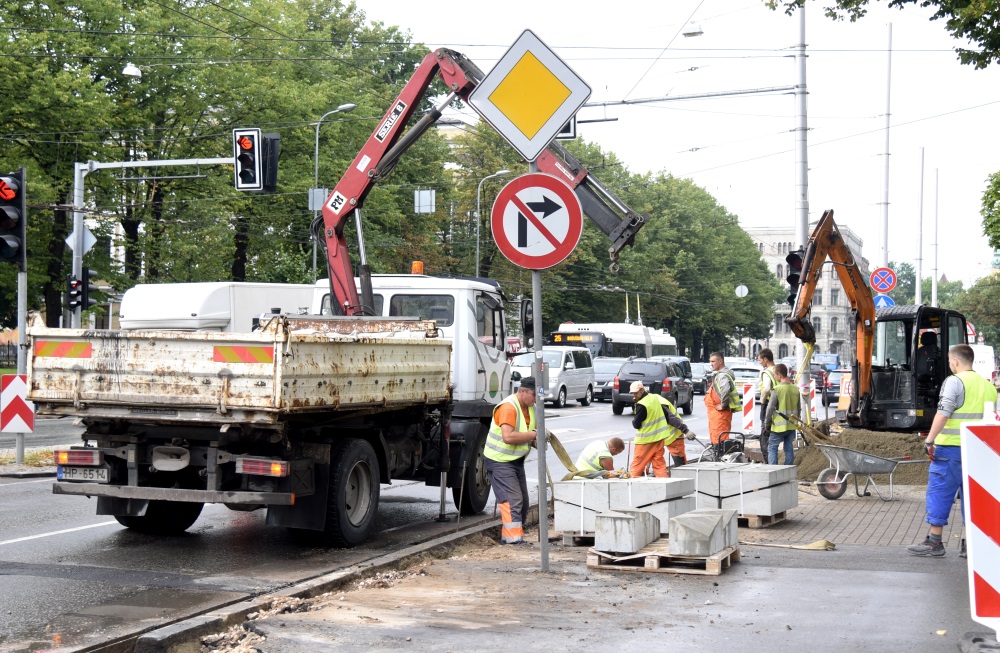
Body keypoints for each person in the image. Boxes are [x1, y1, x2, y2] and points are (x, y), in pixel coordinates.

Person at [908, 344, 998, 557]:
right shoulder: (989, 387)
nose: (949, 365)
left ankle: (935, 542)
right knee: (975, 496)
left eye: (949, 361)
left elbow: (943, 413)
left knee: (940, 492)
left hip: (951, 450)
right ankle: (971, 544)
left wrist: (929, 441)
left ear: (955, 361)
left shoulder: (954, 382)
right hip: (979, 451)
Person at [484, 376, 539, 545]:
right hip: (499, 461)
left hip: (515, 461)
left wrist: (537, 439)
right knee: (512, 500)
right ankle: (513, 541)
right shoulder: (508, 407)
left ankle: (513, 536)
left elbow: (530, 430)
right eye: (534, 395)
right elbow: (508, 437)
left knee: (523, 501)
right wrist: (533, 435)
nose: (536, 399)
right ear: (523, 391)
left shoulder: (531, 407)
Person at [630, 381, 697, 477]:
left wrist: (685, 430)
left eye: (635, 393)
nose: (634, 395)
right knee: (658, 463)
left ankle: (683, 476)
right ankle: (661, 482)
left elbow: (670, 418)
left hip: (670, 435)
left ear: (642, 391)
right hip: (659, 437)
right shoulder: (653, 399)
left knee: (640, 462)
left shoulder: (650, 403)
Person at [763, 364, 800, 465]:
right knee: (789, 448)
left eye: (774, 374)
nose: (774, 376)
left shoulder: (777, 389)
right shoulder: (795, 389)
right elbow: (798, 409)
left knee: (772, 447)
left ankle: (773, 471)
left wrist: (767, 424)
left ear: (779, 375)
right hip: (791, 425)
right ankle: (787, 471)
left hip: (778, 427)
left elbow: (769, 409)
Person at [705, 351, 739, 446]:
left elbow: (725, 389)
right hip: (716, 415)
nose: (711, 364)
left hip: (720, 414)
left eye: (713, 361)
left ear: (720, 361)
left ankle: (719, 459)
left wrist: (723, 405)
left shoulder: (722, 375)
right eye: (710, 361)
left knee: (720, 440)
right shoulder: (719, 374)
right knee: (717, 438)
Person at [757, 348, 778, 463]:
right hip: (778, 405)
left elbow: (766, 389)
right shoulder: (778, 369)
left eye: (760, 360)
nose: (759, 362)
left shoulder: (767, 372)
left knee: (765, 433)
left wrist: (762, 400)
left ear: (765, 359)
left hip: (768, 404)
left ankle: (768, 462)